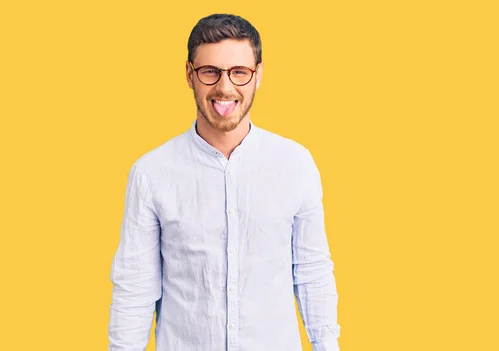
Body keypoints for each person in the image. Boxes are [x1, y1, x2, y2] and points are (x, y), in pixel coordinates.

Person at [108, 13, 341, 351]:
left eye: (239, 72)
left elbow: (312, 270)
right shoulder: (151, 172)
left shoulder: (295, 164)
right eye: (210, 72)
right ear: (190, 74)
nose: (225, 87)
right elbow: (135, 286)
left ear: (258, 75)